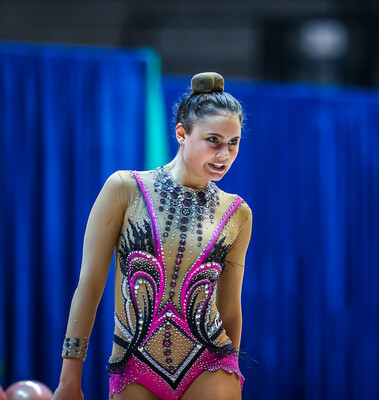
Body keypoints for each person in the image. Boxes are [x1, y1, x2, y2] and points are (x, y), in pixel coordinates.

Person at [52, 72, 252, 400]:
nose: (224, 155)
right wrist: (69, 377)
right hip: (134, 364)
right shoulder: (125, 189)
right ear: (182, 133)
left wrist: (234, 369)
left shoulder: (237, 212)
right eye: (213, 140)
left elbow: (230, 306)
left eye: (234, 143)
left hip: (211, 362)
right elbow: (89, 285)